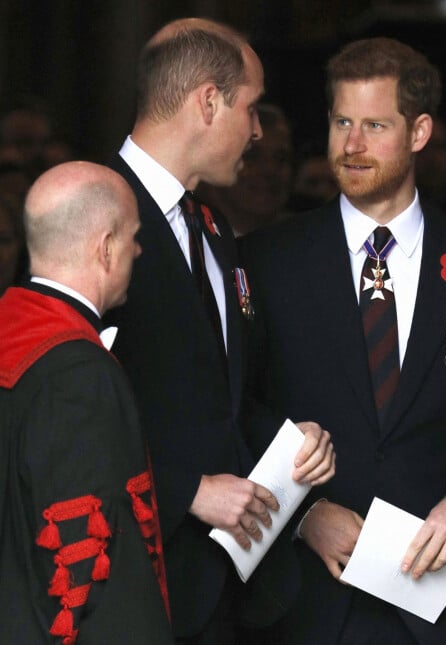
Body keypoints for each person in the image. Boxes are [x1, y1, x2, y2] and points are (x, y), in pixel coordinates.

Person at [241, 37, 446, 643]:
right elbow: (237, 408)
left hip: (436, 603)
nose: (351, 145)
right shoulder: (267, 261)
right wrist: (302, 516)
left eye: (375, 125)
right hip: (304, 602)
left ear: (419, 133)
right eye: (341, 123)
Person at [104, 18, 335, 644]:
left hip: (226, 590)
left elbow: (221, 397)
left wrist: (293, 448)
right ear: (209, 101)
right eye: (251, 109)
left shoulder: (211, 227)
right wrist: (185, 491)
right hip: (131, 586)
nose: (258, 132)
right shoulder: (90, 211)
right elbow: (59, 412)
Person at [0, 161, 173, 644]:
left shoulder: (11, 333)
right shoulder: (79, 375)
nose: (138, 250)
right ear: (106, 247)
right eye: (134, 237)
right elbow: (95, 574)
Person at [198, 102, 294, 236]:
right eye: (251, 156)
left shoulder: (309, 245)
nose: (269, 170)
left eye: (280, 159)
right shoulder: (185, 242)